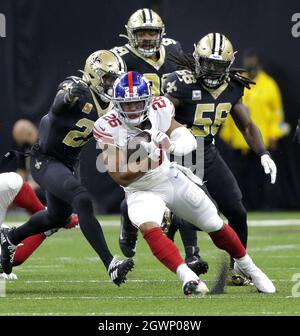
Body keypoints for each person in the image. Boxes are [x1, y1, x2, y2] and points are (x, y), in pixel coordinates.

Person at [93, 71, 276, 295]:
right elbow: (119, 175)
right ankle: (188, 278)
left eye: (137, 103)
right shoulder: (107, 125)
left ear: (148, 100)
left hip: (168, 178)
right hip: (139, 190)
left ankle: (251, 268)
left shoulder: (159, 108)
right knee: (148, 225)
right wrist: (154, 158)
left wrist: (172, 146)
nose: (132, 109)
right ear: (117, 103)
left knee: (213, 222)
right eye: (127, 104)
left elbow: (184, 136)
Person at [0, 50, 134, 286]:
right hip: (46, 159)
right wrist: (67, 97)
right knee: (82, 199)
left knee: (57, 216)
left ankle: (10, 237)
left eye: (115, 79)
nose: (112, 85)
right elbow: (60, 103)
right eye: (108, 78)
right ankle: (110, 263)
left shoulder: (112, 105)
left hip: (71, 162)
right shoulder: (77, 87)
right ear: (93, 74)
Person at [163, 33, 277, 285]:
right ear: (197, 59)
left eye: (219, 65)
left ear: (229, 64)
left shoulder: (234, 86)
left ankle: (239, 268)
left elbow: (246, 126)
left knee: (236, 210)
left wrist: (263, 153)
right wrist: (176, 134)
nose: (213, 71)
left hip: (208, 151)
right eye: (208, 64)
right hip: (181, 150)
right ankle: (174, 217)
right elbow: (161, 116)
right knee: (206, 209)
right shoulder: (179, 83)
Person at [111, 8, 208, 274]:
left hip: (169, 122)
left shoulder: (174, 50)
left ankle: (192, 253)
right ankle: (128, 218)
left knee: (187, 187)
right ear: (130, 35)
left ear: (161, 33)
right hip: (137, 130)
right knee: (141, 185)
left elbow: (192, 76)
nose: (146, 38)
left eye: (151, 32)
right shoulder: (120, 57)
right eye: (141, 33)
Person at [220, 49, 289, 210]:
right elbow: (229, 109)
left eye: (253, 61)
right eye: (248, 61)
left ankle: (266, 205)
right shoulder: (238, 82)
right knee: (241, 176)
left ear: (259, 63)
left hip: (262, 138)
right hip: (239, 139)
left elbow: (277, 113)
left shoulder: (269, 84)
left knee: (263, 174)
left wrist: (274, 134)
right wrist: (227, 133)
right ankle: (245, 204)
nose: (250, 65)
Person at [0, 171, 78, 279]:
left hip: (10, 184)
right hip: (11, 182)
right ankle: (52, 222)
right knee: (9, 257)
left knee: (9, 256)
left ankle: (52, 220)